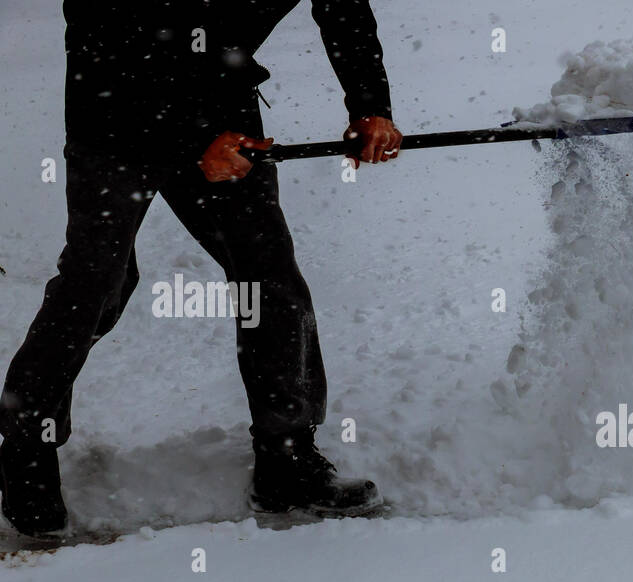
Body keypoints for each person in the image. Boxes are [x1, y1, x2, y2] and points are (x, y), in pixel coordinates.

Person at [0, 0, 403, 536]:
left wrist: (369, 106)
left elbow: (344, 10)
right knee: (96, 283)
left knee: (270, 279)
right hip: (115, 109)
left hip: (222, 112)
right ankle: (25, 453)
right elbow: (110, 29)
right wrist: (195, 139)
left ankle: (287, 462)